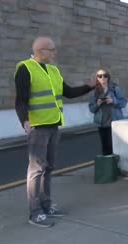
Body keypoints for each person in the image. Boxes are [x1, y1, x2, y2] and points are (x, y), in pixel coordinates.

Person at [14, 36, 95, 228]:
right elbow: (21, 99)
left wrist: (89, 87)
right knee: (36, 170)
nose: (54, 53)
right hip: (38, 126)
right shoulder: (25, 68)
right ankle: (35, 212)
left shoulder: (53, 70)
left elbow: (67, 92)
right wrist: (24, 120)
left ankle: (46, 205)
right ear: (41, 50)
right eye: (52, 50)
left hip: (53, 124)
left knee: (48, 167)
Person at [88, 69, 128, 155]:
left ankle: (116, 166)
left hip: (115, 123)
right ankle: (108, 166)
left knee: (116, 147)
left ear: (108, 77)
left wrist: (113, 101)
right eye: (100, 76)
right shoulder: (94, 92)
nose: (103, 78)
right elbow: (91, 109)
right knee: (105, 147)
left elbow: (124, 102)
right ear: (97, 78)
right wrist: (97, 104)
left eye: (105, 75)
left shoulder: (114, 88)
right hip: (102, 124)